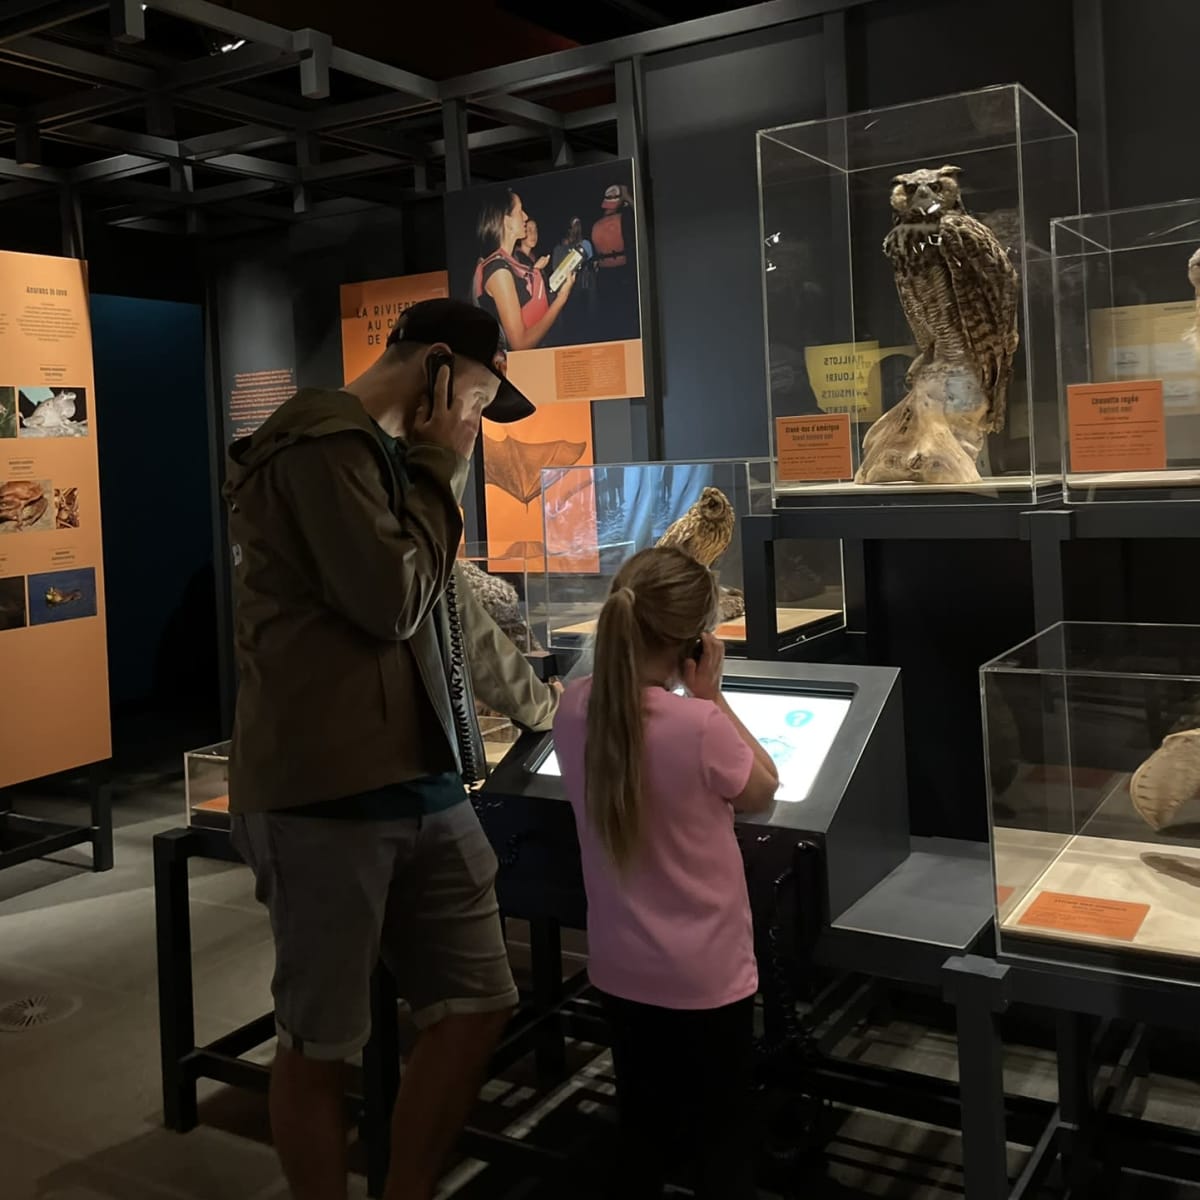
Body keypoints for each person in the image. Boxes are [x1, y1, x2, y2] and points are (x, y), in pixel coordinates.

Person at [223, 298, 560, 1200]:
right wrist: (440, 463)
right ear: (439, 366)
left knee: (480, 1001)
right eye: (478, 398)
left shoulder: (392, 466)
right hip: (324, 794)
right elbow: (394, 601)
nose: (476, 421)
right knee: (321, 1039)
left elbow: (451, 613)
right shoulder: (320, 445)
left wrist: (545, 708)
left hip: (425, 785)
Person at [553, 547, 779, 1199]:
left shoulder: (574, 708)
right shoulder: (699, 724)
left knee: (644, 1131)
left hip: (620, 965)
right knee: (722, 1141)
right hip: (706, 976)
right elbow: (763, 786)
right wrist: (712, 695)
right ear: (694, 643)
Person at [472, 189, 574, 350]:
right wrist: (562, 298)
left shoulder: (508, 263)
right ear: (507, 222)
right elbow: (520, 344)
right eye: (520, 211)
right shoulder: (499, 271)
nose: (525, 217)